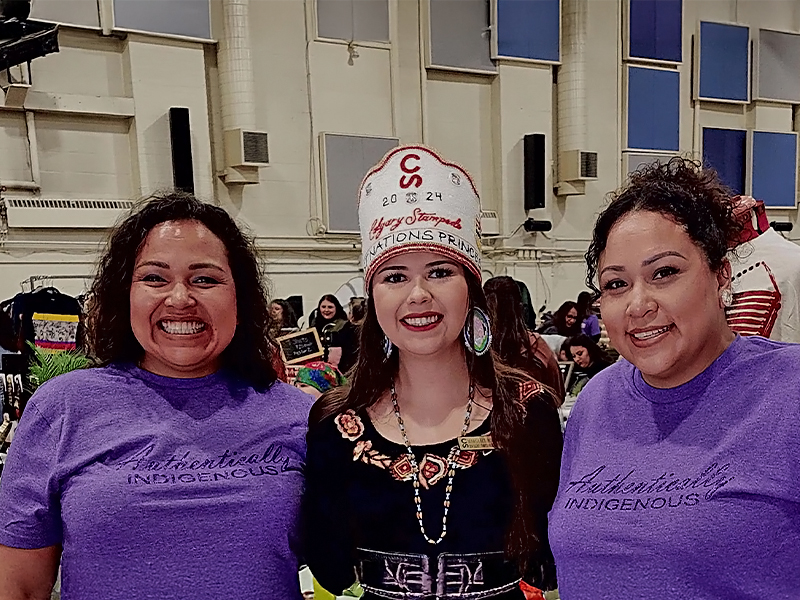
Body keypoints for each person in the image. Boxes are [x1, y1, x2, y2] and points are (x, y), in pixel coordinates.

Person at [0, 192, 313, 600]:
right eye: (155, 278)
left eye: (205, 279)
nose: (180, 298)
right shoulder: (61, 407)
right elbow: (19, 586)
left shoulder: (300, 415)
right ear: (124, 294)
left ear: (240, 296)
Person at [303, 145, 563, 599]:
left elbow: (550, 561)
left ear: (471, 291)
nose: (418, 294)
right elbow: (330, 567)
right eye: (395, 276)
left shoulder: (528, 412)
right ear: (373, 298)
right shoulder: (334, 424)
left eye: (440, 272)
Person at [548, 158, 800, 598]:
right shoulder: (597, 399)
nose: (638, 304)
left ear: (721, 273)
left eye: (664, 273)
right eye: (616, 284)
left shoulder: (787, 390)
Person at [483, 275, 564, 405]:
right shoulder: (535, 346)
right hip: (531, 422)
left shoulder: (470, 347)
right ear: (520, 309)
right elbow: (558, 395)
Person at [311, 294, 358, 373]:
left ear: (336, 308)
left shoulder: (347, 327)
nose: (326, 310)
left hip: (341, 371)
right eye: (323, 307)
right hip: (317, 372)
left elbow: (351, 353)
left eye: (330, 307)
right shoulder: (314, 326)